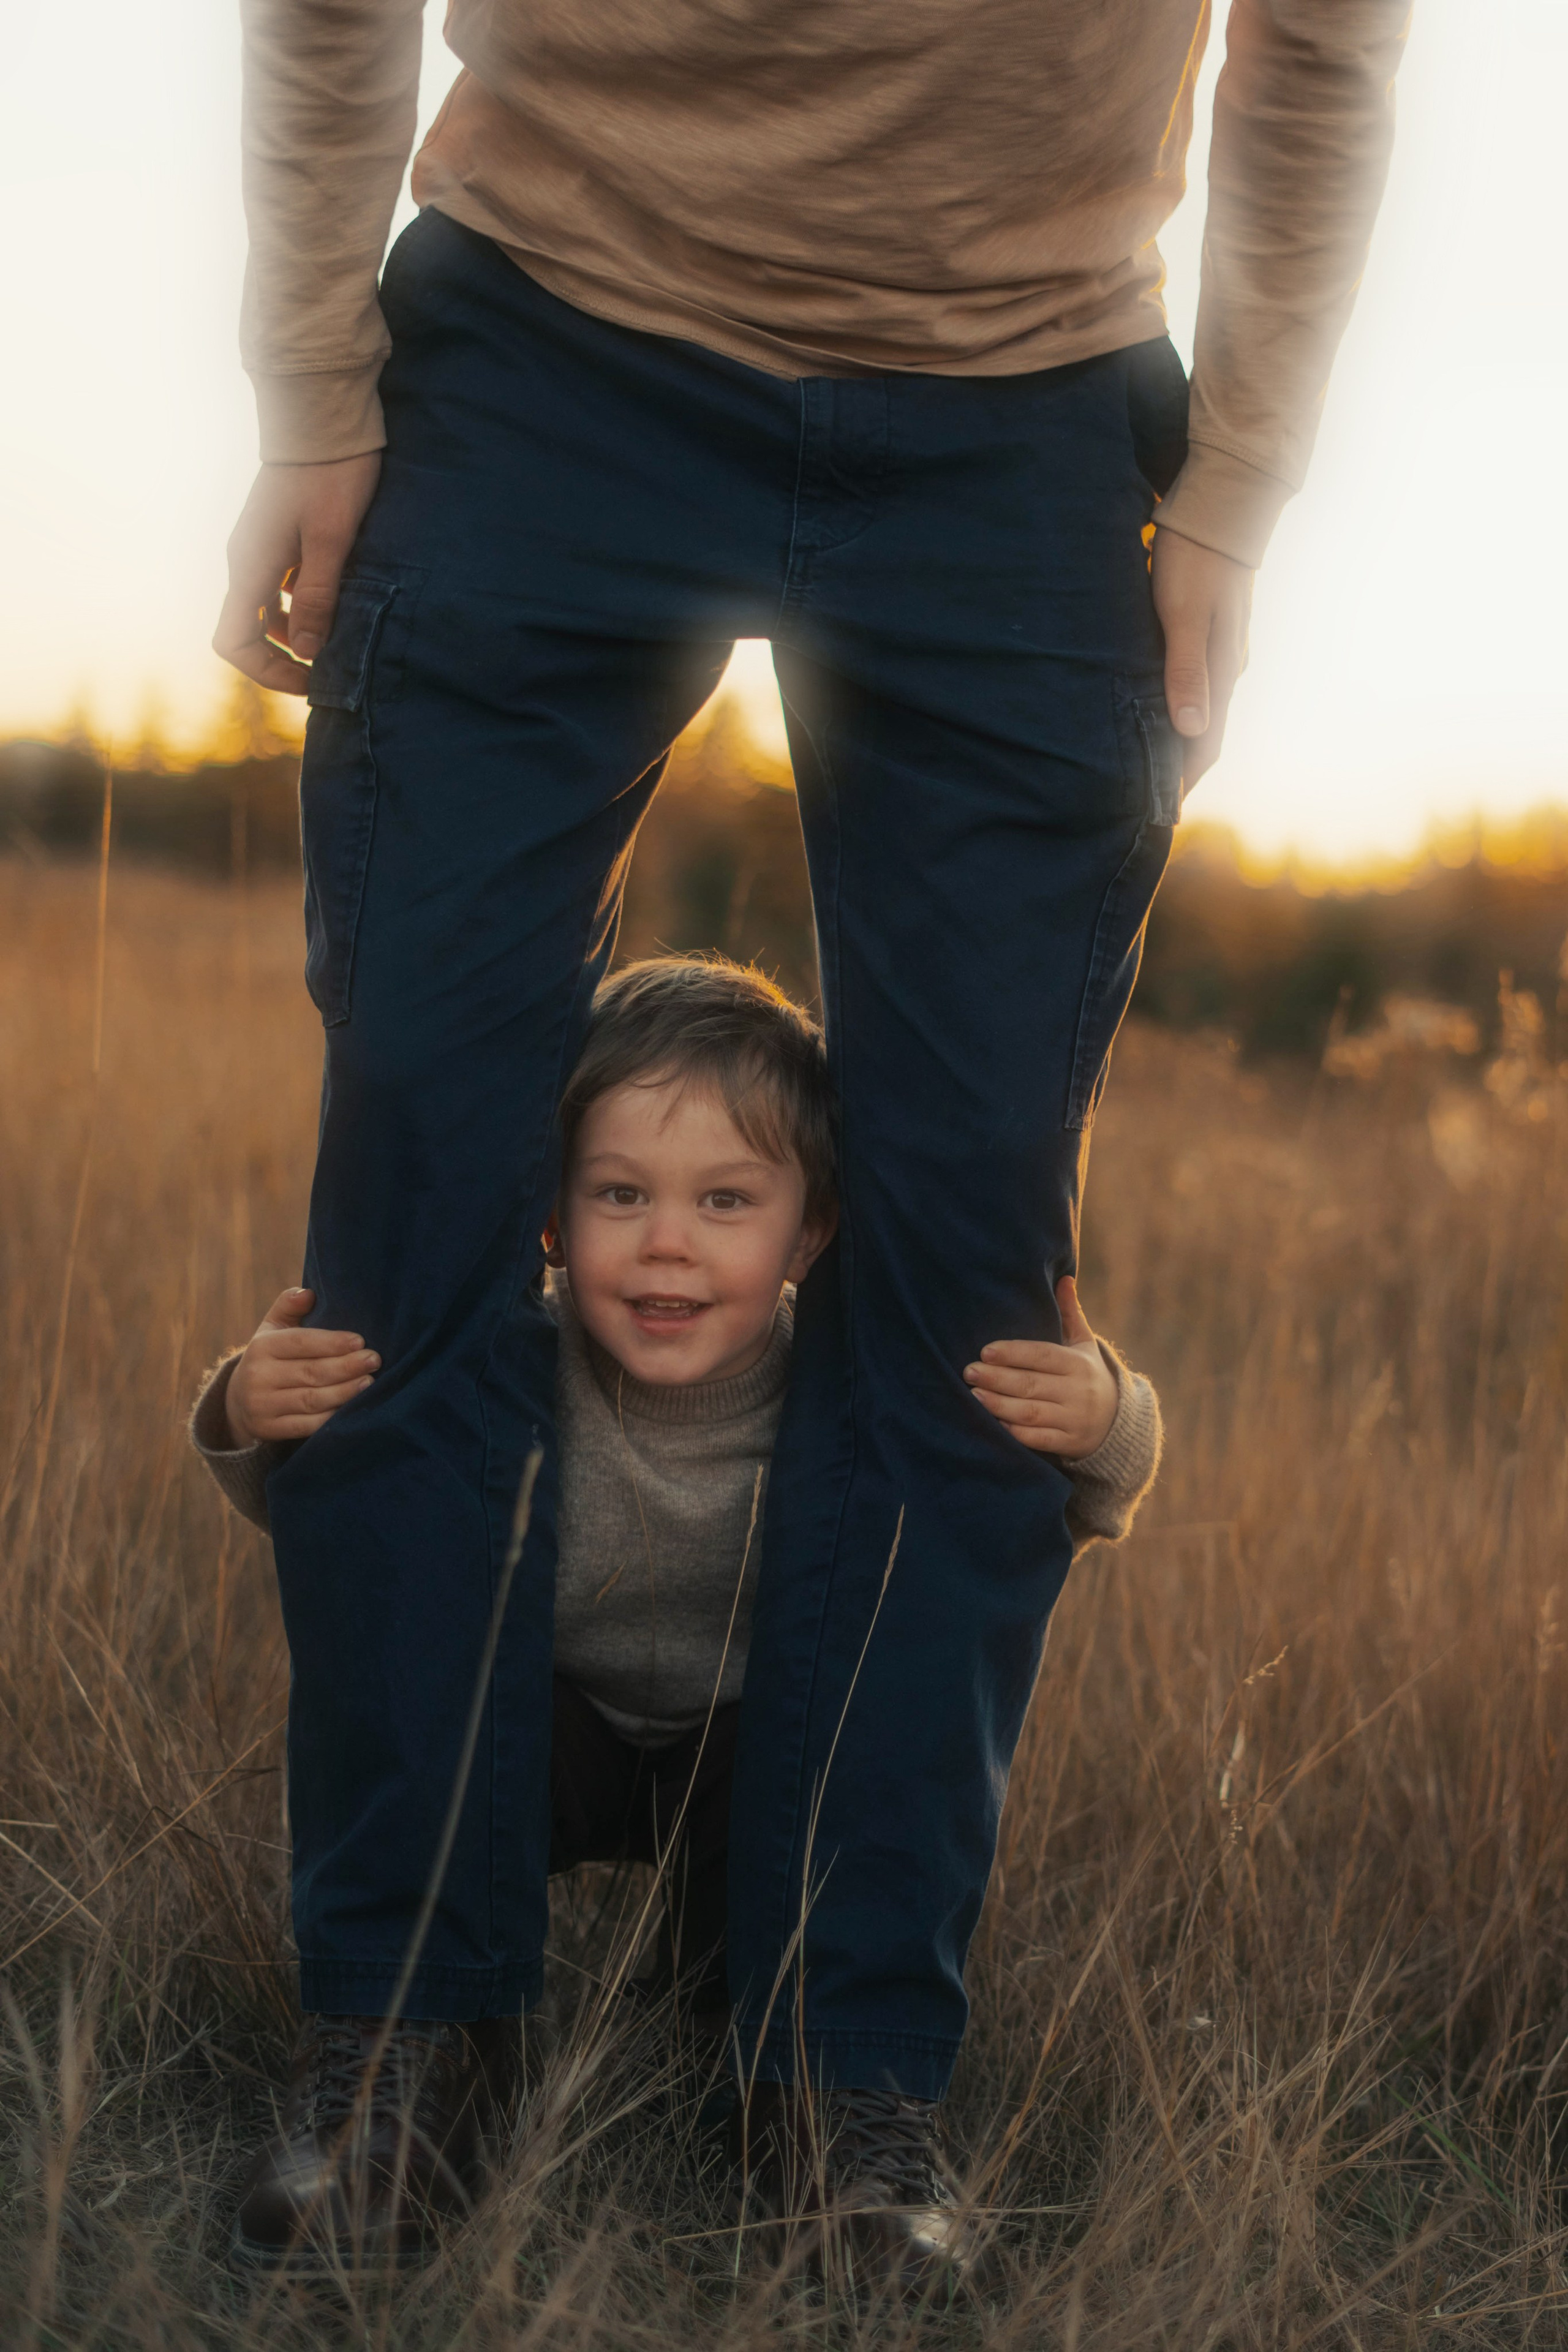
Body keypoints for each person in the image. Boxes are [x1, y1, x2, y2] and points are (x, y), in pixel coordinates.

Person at [213, 0, 1408, 2290]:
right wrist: (310, 388)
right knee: (415, 1200)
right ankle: (400, 2050)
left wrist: (1234, 495)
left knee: (972, 1280)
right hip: (552, 332)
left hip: (1027, 404)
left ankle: (837, 2084)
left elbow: (1323, 46)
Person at [190, 958, 1163, 2273]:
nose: (666, 1243)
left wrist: (1105, 1416)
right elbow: (360, 1556)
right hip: (553, 1733)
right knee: (442, 1684)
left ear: (807, 1232)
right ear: (547, 1216)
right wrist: (251, 1410)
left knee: (819, 1792)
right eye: (618, 1195)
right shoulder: (507, 1368)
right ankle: (439, 2037)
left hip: (754, 1753)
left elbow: (1054, 1515)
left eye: (724, 1202)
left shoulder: (855, 1391)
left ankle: (794, 2080)